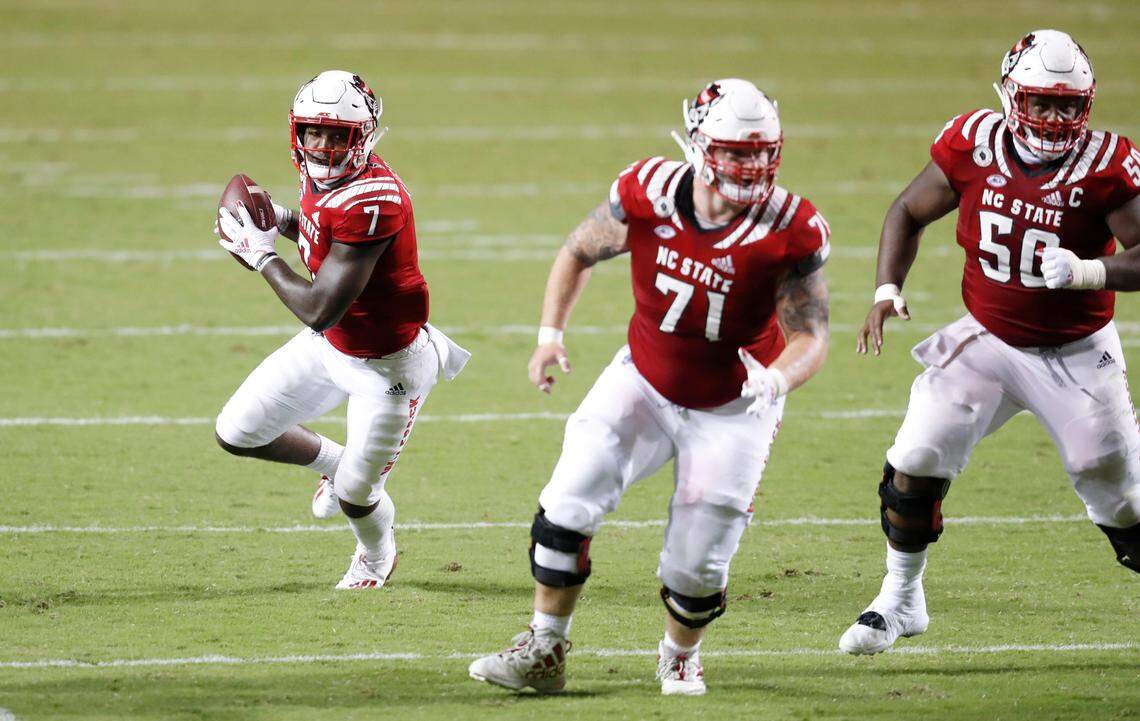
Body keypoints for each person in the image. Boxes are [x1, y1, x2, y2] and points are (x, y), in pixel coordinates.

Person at [468, 79, 830, 696]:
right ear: (700, 144)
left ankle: (680, 655)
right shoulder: (649, 192)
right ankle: (544, 650)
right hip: (643, 377)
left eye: (761, 152)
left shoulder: (790, 228)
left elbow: (811, 335)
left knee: (697, 565)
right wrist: (549, 334)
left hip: (735, 402)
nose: (750, 166)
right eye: (735, 151)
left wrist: (777, 378)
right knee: (566, 503)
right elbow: (578, 251)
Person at [840, 29, 1140, 655]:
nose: (1053, 119)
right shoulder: (974, 143)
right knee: (917, 453)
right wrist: (886, 289)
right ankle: (900, 599)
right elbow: (907, 210)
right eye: (1039, 102)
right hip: (990, 339)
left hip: (1077, 352)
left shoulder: (1106, 166)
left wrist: (1089, 270)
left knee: (1120, 499)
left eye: (1067, 105)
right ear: (1010, 95)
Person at [213, 70, 469, 590]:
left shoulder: (373, 200)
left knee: (357, 495)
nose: (323, 146)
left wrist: (262, 254)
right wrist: (282, 219)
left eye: (337, 135)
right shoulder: (323, 177)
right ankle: (334, 463)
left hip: (388, 368)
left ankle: (376, 555)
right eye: (314, 132)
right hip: (332, 347)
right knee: (237, 432)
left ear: (363, 137)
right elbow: (320, 234)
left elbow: (319, 309)